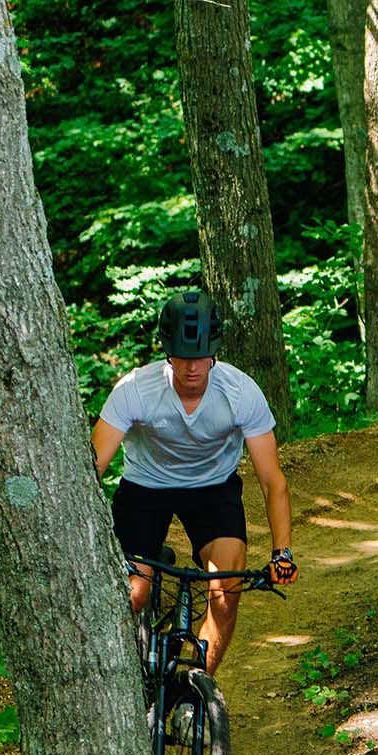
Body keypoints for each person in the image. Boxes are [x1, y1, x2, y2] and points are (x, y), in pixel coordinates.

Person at [92, 288, 297, 673]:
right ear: (168, 352)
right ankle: (129, 677)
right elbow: (93, 468)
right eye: (183, 358)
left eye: (201, 357)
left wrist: (281, 552)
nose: (192, 368)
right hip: (145, 489)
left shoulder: (240, 392)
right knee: (132, 595)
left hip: (213, 490)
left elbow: (273, 480)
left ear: (214, 352)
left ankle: (196, 688)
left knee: (225, 591)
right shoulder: (134, 390)